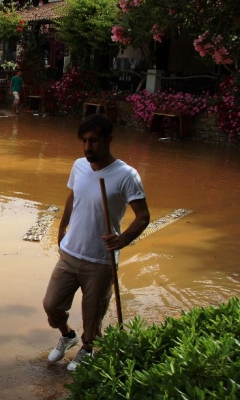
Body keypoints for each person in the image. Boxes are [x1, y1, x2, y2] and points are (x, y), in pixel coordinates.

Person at [42, 114, 150, 372]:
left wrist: (122, 239)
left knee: (93, 316)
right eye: (84, 141)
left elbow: (143, 216)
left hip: (101, 260)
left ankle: (87, 349)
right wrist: (62, 226)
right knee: (52, 304)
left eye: (94, 141)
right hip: (70, 253)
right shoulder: (79, 166)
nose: (88, 147)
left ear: (109, 140)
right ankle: (68, 336)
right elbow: (72, 196)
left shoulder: (126, 175)